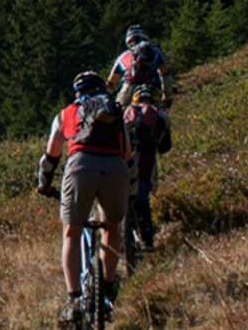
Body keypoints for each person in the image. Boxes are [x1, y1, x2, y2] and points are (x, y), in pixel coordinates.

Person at [37, 70, 134, 323]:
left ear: (77, 92)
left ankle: (75, 299)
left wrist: (44, 183)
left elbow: (51, 156)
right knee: (112, 227)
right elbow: (127, 153)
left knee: (72, 231)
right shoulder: (115, 112)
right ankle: (109, 286)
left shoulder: (66, 114)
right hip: (115, 168)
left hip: (81, 167)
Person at [124, 86, 172, 250]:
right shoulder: (160, 115)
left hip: (126, 159)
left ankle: (122, 236)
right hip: (147, 160)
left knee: (123, 196)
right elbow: (165, 147)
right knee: (142, 199)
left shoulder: (126, 112)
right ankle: (148, 240)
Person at [108, 24, 169, 106]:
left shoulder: (124, 56)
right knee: (158, 114)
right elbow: (165, 74)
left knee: (121, 113)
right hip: (152, 89)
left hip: (128, 89)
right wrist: (166, 94)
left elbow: (111, 82)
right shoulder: (156, 52)